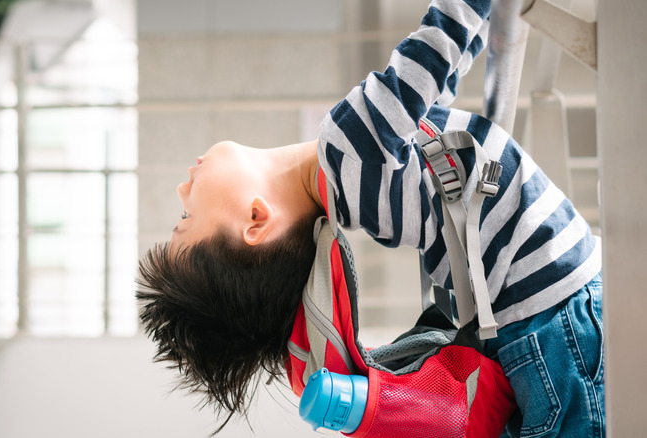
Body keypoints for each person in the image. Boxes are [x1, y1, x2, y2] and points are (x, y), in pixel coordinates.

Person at [136, 0, 605, 436]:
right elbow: (437, 46)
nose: (183, 187)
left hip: (544, 334)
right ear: (256, 220)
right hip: (558, 319)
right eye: (186, 213)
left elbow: (440, 81)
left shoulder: (353, 184)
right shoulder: (347, 147)